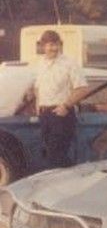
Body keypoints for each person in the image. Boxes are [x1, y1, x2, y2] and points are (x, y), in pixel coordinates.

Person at [34, 30, 89, 168]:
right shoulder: (40, 63)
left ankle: (68, 182)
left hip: (62, 114)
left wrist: (66, 106)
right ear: (43, 46)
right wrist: (38, 103)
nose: (53, 48)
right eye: (50, 45)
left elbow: (83, 88)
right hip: (45, 115)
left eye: (56, 44)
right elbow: (36, 87)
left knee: (56, 155)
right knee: (48, 154)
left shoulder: (69, 63)